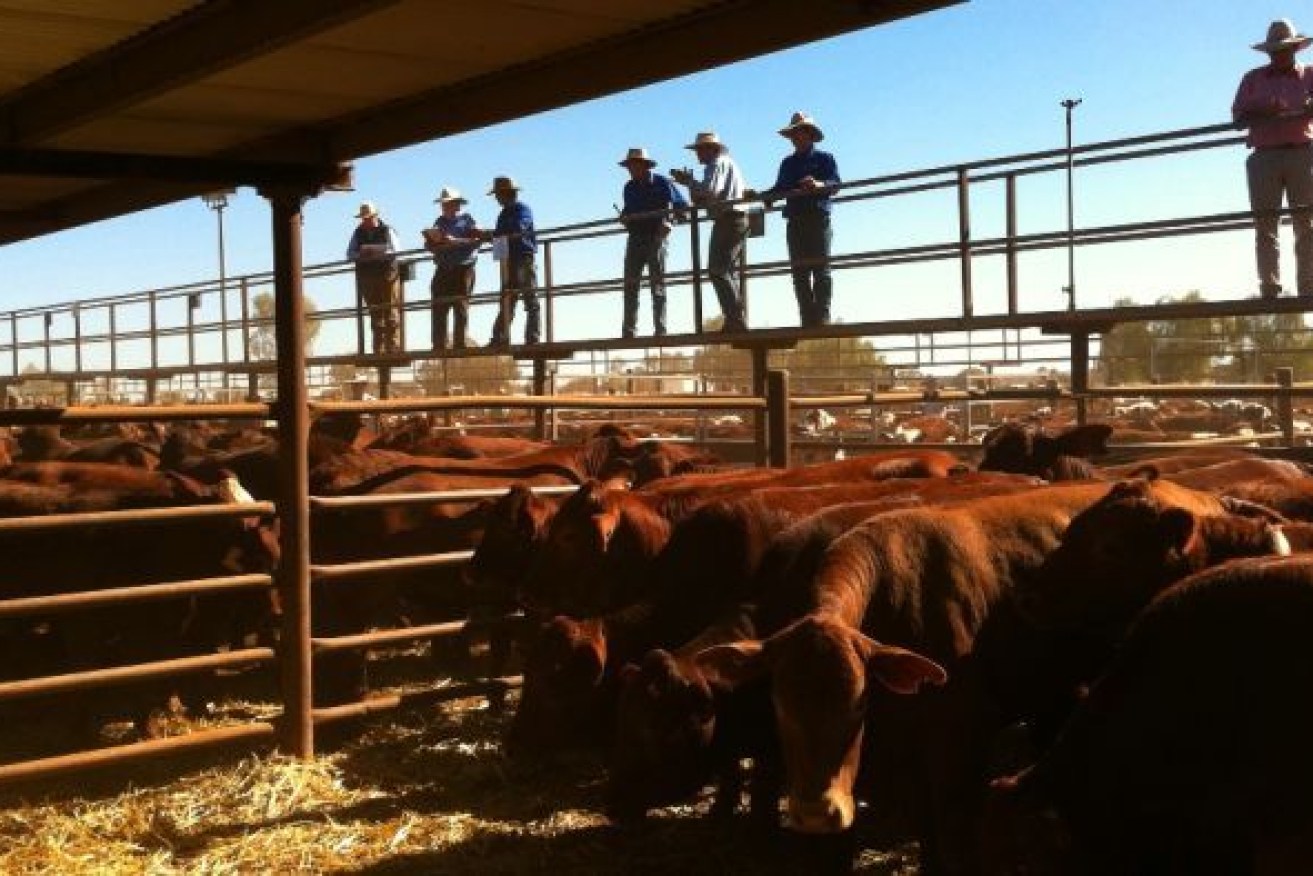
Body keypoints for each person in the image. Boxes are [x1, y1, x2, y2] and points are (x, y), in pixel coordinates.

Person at [1232, 19, 1313, 299]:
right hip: (1264, 157)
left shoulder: (1310, 75)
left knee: (1307, 224)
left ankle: (1309, 287)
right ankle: (1269, 286)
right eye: (1275, 50)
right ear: (1268, 53)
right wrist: (1262, 109)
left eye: (1284, 49)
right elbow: (1238, 120)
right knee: (1265, 226)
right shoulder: (1252, 79)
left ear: (1294, 49)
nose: (1280, 55)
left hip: (1302, 153)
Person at [754, 111, 841, 327]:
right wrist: (762, 196)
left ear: (810, 134)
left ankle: (822, 316)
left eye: (798, 132)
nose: (795, 137)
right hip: (795, 220)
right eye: (793, 133)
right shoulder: (787, 163)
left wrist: (818, 185)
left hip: (818, 218)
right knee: (799, 272)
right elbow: (779, 189)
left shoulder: (825, 158)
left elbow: (836, 184)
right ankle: (806, 318)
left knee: (821, 269)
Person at [672, 132, 750, 333]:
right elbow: (703, 198)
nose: (697, 154)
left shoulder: (715, 164)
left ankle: (736, 319)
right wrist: (691, 183)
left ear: (711, 149)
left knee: (718, 269)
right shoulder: (722, 163)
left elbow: (710, 192)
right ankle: (735, 318)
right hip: (733, 218)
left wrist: (690, 183)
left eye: (700, 149)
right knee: (724, 270)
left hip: (729, 218)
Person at [617, 147, 688, 338]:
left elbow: (682, 206)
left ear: (644, 165)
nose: (631, 169)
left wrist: (670, 221)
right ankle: (629, 331)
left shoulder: (662, 182)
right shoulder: (629, 187)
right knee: (631, 284)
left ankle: (660, 330)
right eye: (629, 166)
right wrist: (624, 218)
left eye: (634, 165)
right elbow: (629, 210)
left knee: (657, 284)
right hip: (635, 238)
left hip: (656, 237)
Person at [485, 176, 540, 347]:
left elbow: (518, 228)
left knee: (529, 298)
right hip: (508, 259)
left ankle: (532, 338)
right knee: (507, 300)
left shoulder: (522, 210)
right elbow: (503, 233)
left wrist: (493, 235)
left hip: (522, 257)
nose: (496, 199)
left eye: (498, 195)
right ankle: (499, 338)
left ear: (505, 194)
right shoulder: (504, 213)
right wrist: (490, 235)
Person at [424, 186, 480, 349]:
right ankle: (439, 343)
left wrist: (455, 241)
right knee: (438, 304)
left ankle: (459, 342)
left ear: (457, 205)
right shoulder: (439, 222)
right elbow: (434, 243)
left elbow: (478, 240)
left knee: (460, 305)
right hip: (443, 267)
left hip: (463, 267)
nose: (445, 207)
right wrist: (431, 244)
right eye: (443, 204)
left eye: (448, 204)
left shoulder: (468, 220)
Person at [346, 201, 402, 354]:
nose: (366, 221)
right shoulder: (358, 232)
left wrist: (380, 253)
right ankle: (379, 347)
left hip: (387, 274)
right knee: (375, 312)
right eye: (364, 219)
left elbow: (396, 250)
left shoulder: (387, 230)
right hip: (368, 277)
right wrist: (361, 254)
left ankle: (393, 346)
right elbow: (349, 253)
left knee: (390, 310)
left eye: (368, 218)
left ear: (376, 216)